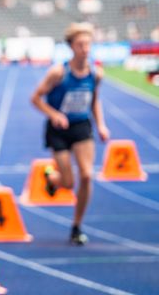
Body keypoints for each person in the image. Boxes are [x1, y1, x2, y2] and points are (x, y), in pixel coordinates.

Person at [31, 22, 110, 245]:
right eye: (80, 44)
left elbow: (94, 101)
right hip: (58, 129)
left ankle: (76, 226)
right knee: (67, 182)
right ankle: (52, 177)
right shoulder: (59, 72)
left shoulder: (96, 74)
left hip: (81, 126)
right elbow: (35, 98)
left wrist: (101, 125)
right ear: (71, 47)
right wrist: (53, 114)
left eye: (88, 44)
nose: (85, 49)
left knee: (86, 175)